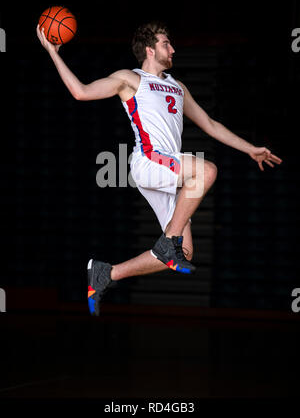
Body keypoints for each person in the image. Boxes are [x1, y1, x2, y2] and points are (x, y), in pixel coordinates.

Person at [36, 21, 282, 316]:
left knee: (185, 251)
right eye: (167, 43)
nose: (173, 49)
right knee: (207, 171)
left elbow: (210, 125)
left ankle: (106, 274)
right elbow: (81, 92)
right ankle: (168, 243)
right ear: (150, 50)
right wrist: (52, 52)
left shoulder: (178, 87)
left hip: (168, 173)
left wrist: (250, 148)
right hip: (149, 161)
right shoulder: (130, 79)